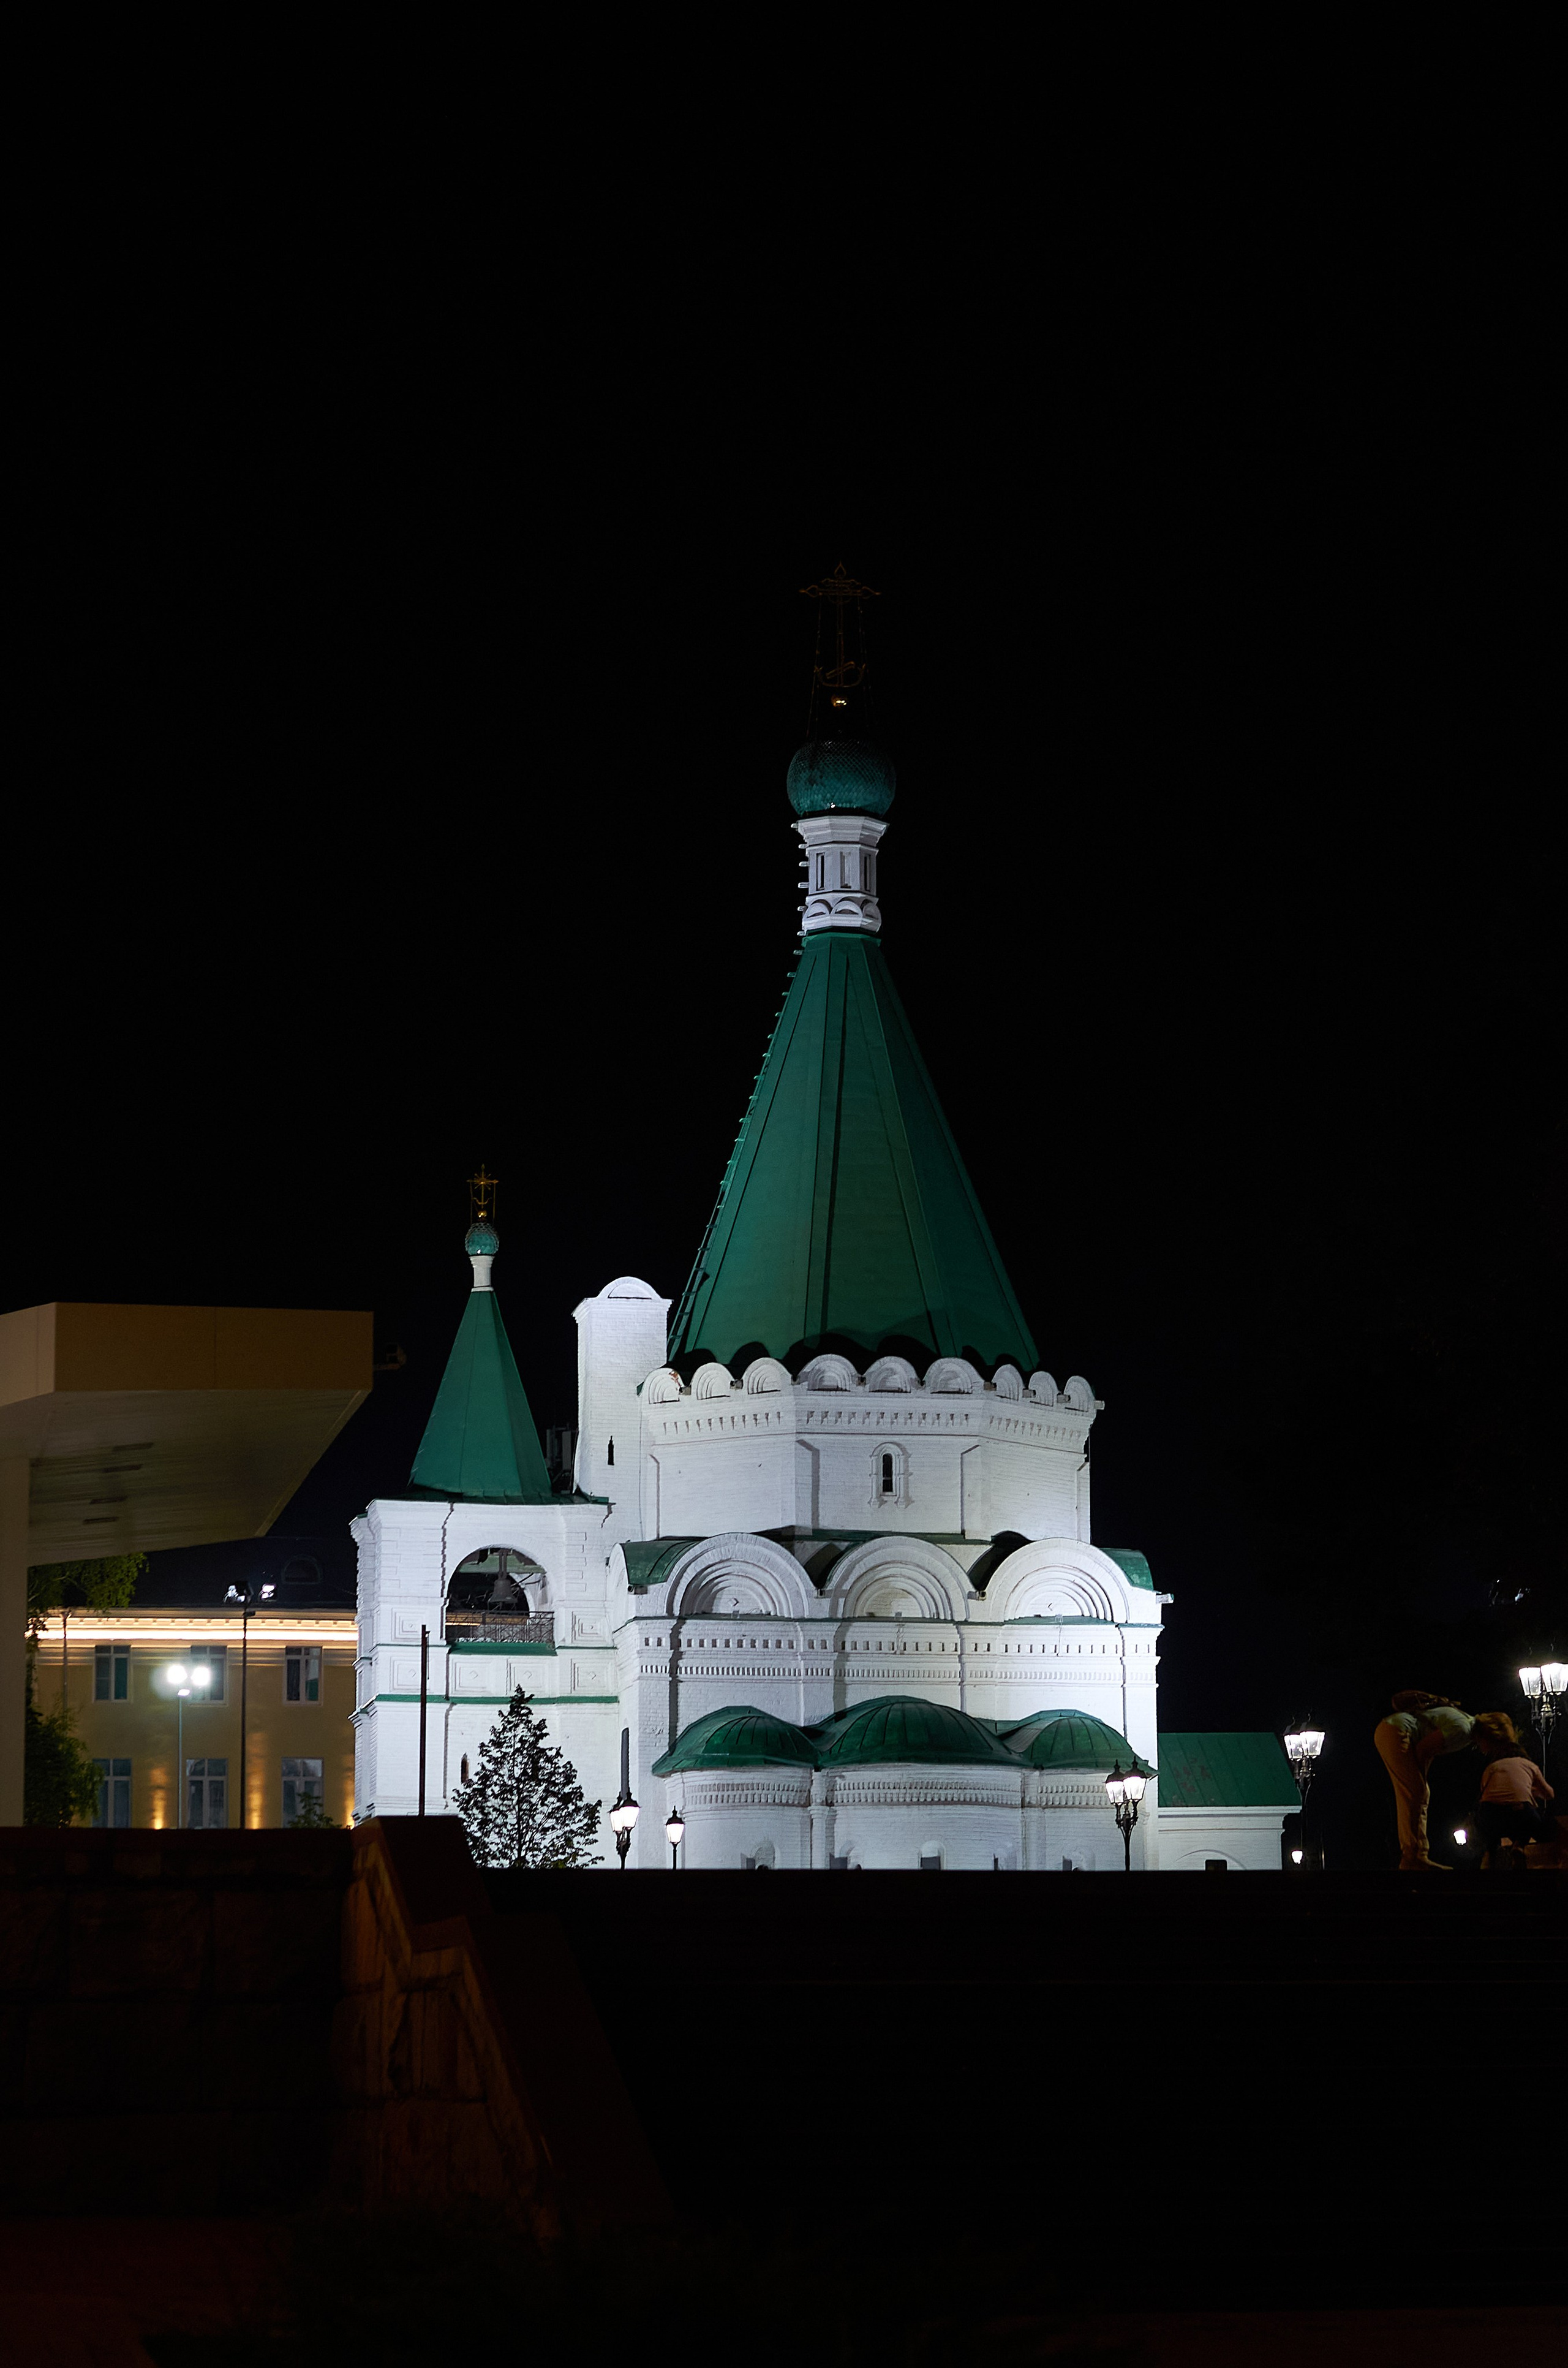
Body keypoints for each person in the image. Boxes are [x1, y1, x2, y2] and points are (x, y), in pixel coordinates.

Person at [1373, 1690, 1474, 1870]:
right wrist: (1421, 1782)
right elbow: (1423, 1751)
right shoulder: (1464, 1729)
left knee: (1417, 1793)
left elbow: (1427, 1749)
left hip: (1393, 1729)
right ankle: (1414, 1857)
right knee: (1415, 1793)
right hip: (1397, 1732)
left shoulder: (1462, 1720)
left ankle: (1414, 1857)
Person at [1471, 1712, 1555, 1868]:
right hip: (1520, 1812)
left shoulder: (1491, 1768)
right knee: (1530, 1819)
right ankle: (1519, 1846)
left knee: (1492, 1831)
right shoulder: (1529, 1765)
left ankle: (1490, 1856)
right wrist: (1533, 1791)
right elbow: (1550, 1794)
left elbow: (1485, 1793)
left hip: (1490, 1815)